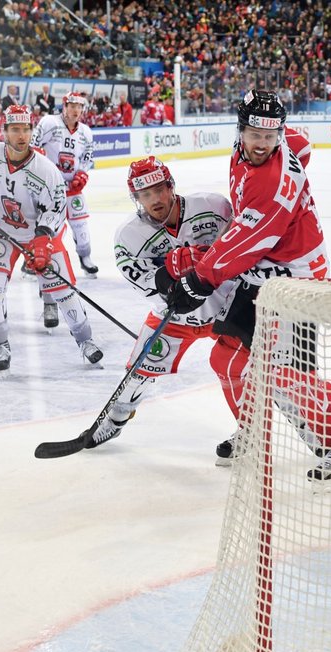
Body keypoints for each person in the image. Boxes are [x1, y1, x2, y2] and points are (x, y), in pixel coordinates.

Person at [164, 90, 331, 477]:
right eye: (256, 134)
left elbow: (245, 241)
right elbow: (303, 146)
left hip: (296, 282)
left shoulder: (269, 185)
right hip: (263, 271)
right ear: (241, 129)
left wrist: (198, 280)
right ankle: (254, 433)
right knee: (226, 360)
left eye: (270, 138)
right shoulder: (279, 142)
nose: (262, 144)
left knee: (288, 374)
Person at [0, 104, 105, 373]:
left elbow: (55, 207)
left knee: (62, 290)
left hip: (35, 235)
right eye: (15, 129)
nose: (21, 135)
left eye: (26, 129)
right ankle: (0, 346)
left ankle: (85, 340)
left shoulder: (45, 169)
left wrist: (43, 238)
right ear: (4, 131)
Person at [86, 157, 233, 446]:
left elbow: (242, 248)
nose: (154, 199)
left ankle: (249, 429)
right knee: (138, 372)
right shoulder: (128, 236)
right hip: (176, 318)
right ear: (136, 198)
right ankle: (115, 420)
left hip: (227, 308)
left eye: (159, 189)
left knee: (241, 371)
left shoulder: (214, 207)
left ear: (171, 186)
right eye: (145, 194)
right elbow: (150, 284)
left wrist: (208, 261)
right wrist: (169, 274)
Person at [30, 91, 98, 276]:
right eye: (72, 106)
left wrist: (82, 174)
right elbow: (34, 147)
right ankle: (34, 257)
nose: (76, 110)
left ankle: (85, 258)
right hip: (50, 189)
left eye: (79, 107)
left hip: (73, 189)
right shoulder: (50, 123)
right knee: (49, 226)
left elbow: (87, 157)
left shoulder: (86, 132)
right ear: (64, 106)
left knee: (81, 226)